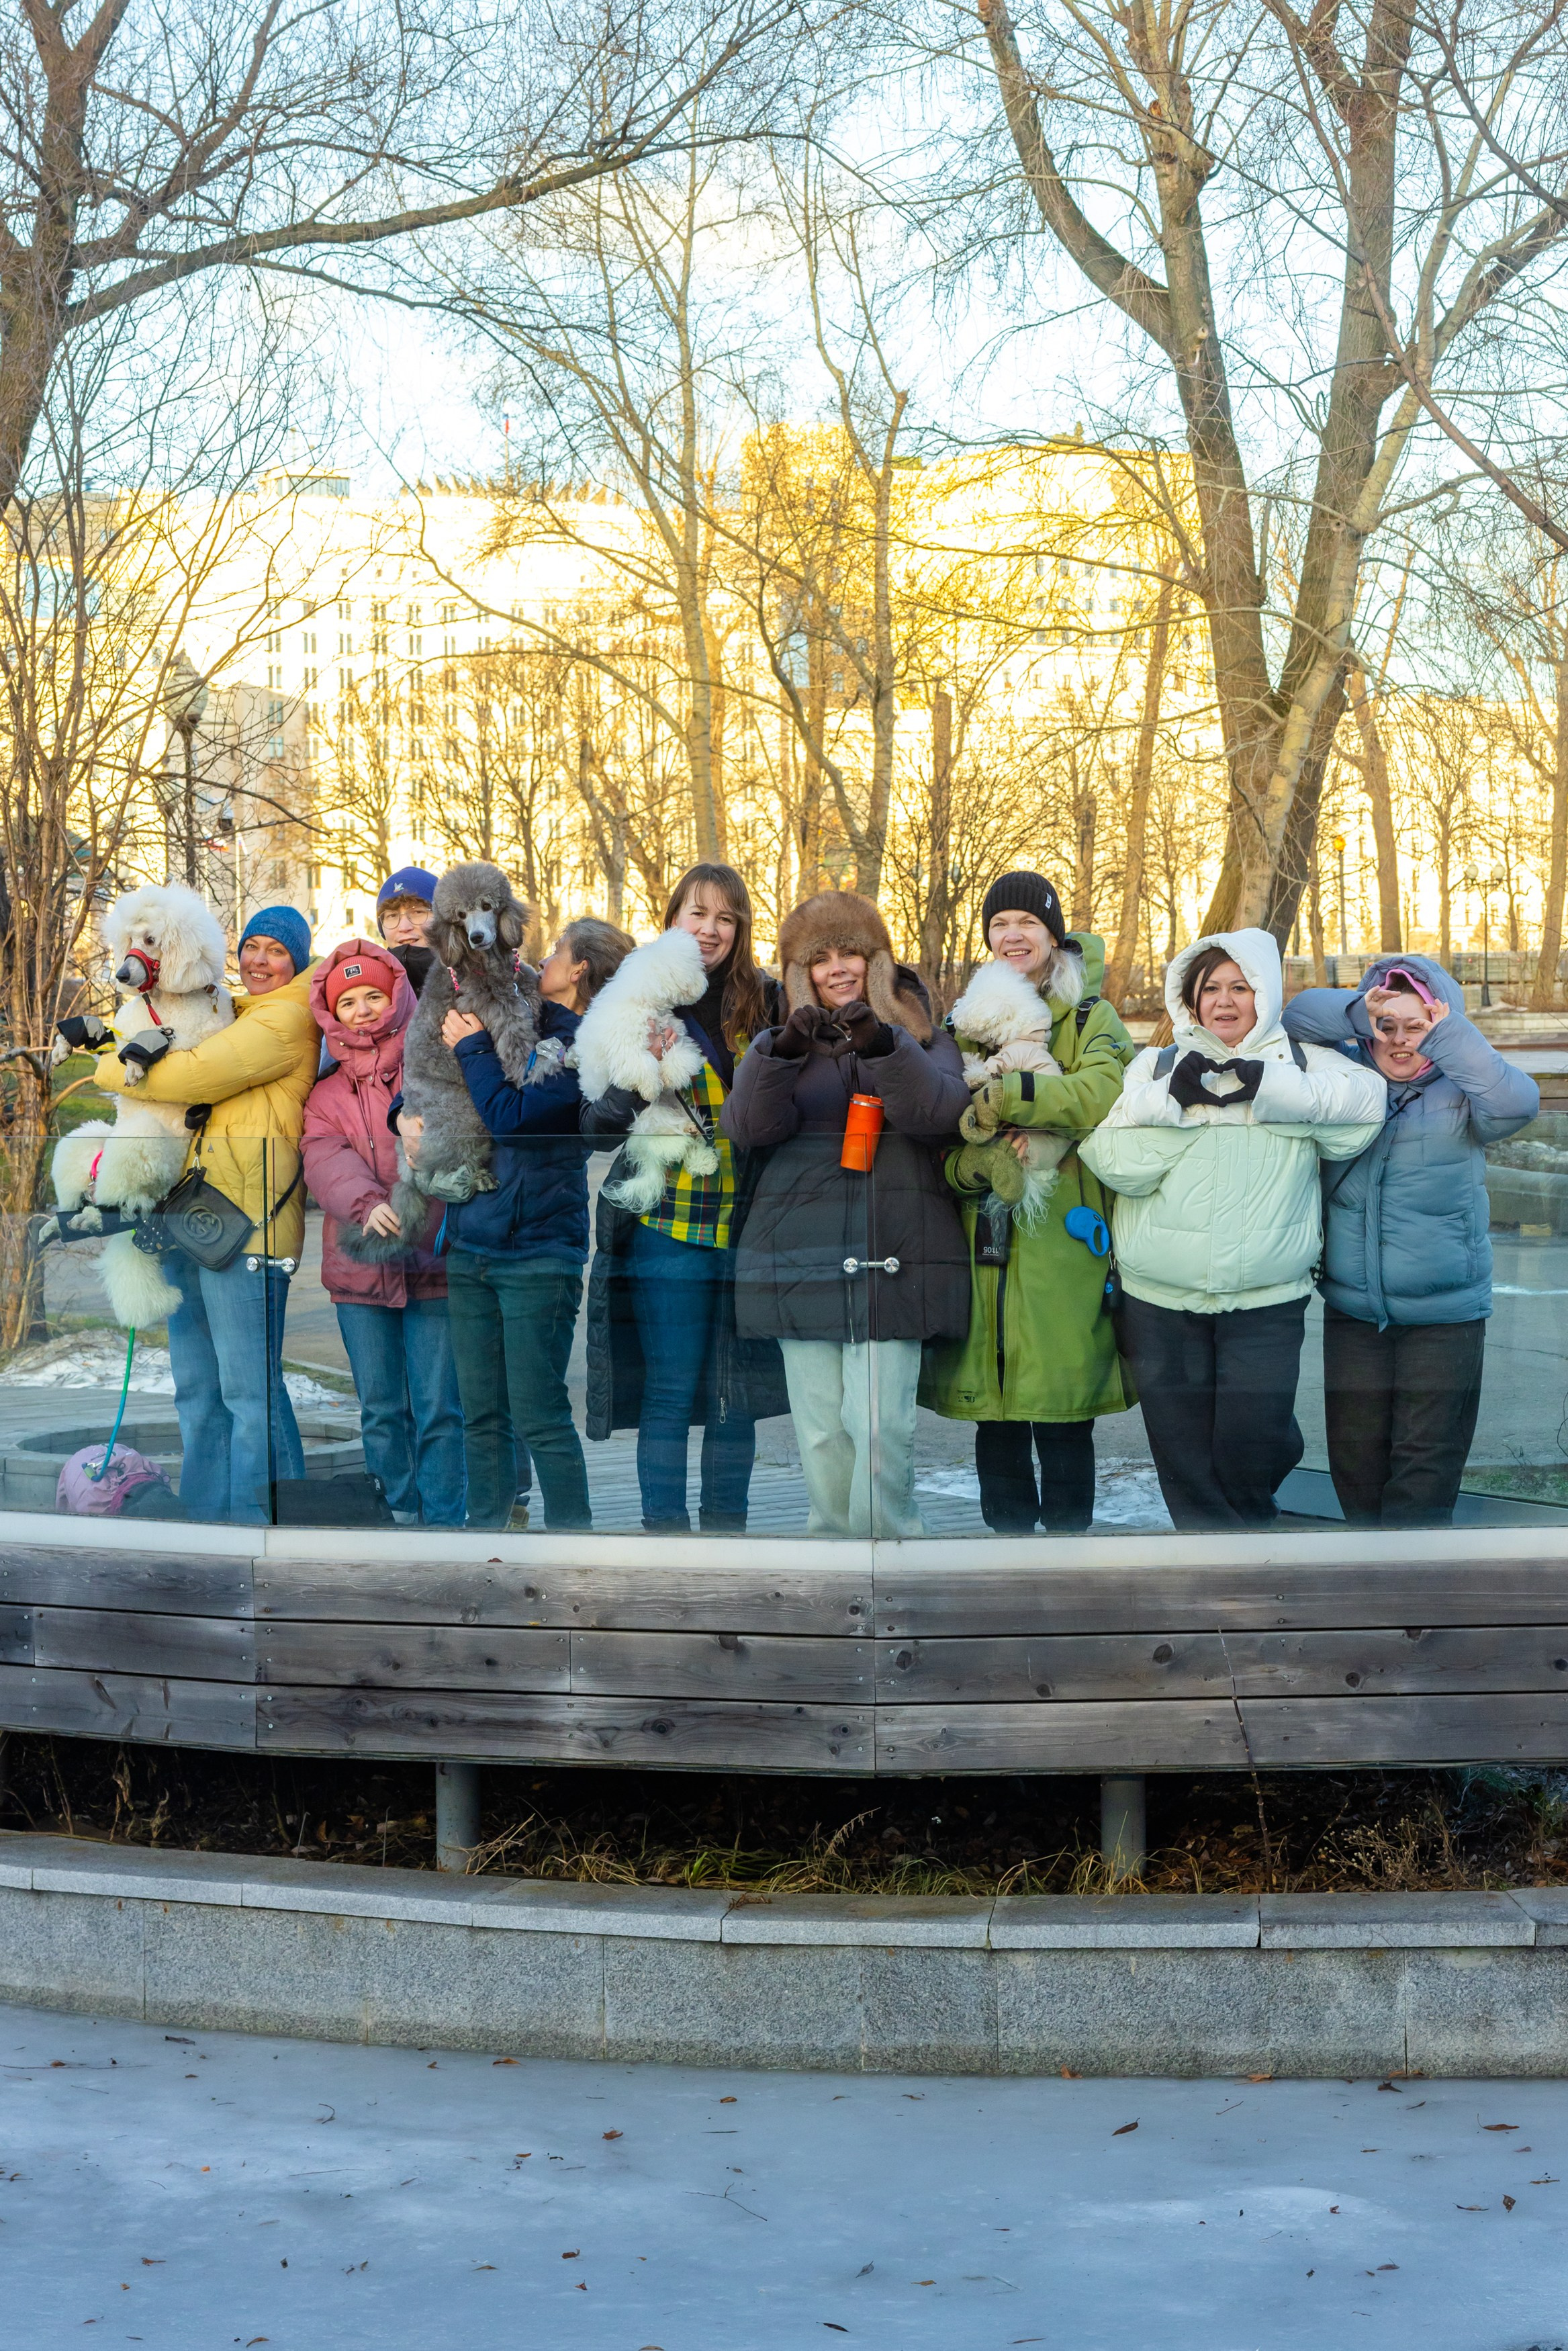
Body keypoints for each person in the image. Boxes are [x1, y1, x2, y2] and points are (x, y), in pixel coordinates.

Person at [1080, 928, 1386, 1532]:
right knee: (1183, 1453)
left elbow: (1362, 1115)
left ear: (1264, 995)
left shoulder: (1301, 1063)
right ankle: (1219, 1568)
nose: (1224, 1001)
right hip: (1159, 1298)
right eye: (1209, 989)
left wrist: (1265, 1089)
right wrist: (1178, 1104)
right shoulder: (1157, 1065)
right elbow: (1115, 1166)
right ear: (1189, 1001)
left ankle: (1243, 1537)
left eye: (1239, 987)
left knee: (1253, 1439)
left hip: (1265, 1299)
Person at [722, 890, 972, 1538]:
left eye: (851, 954)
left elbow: (938, 1114)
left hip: (894, 1249)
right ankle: (831, 1551)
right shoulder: (777, 1038)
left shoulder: (923, 1031)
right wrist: (780, 1052)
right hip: (798, 1254)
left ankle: (891, 1548)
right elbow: (748, 1128)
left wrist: (886, 1044)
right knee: (822, 1425)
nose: (837, 969)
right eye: (821, 958)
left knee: (880, 1422)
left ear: (877, 961)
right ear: (800, 972)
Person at [1283, 955, 1539, 1526]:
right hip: (1354, 1311)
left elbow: (1519, 1104)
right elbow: (1296, 1017)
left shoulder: (1464, 1092)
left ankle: (1413, 1599)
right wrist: (1358, 1010)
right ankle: (1370, 1586)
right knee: (1356, 1460)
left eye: (1416, 1026)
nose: (1399, 1041)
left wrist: (1446, 1034)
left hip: (1444, 1315)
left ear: (1443, 1028)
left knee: (1425, 1464)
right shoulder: (1345, 1080)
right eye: (1386, 1027)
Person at [921, 871, 1138, 1533]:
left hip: (1062, 1249)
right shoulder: (965, 1021)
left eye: (1027, 923)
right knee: (997, 1413)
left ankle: (1069, 1556)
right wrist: (973, 1167)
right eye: (999, 924)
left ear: (1052, 935)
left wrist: (1012, 1096)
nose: (1012, 935)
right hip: (983, 1242)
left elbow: (1102, 1090)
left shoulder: (1089, 1016)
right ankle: (1006, 1550)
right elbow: (939, 1130)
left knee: (1063, 1410)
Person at [90, 905, 320, 1523]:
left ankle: (265, 1528)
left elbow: (193, 1076)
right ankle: (205, 1521)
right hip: (195, 1218)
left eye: (275, 950)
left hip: (254, 1227)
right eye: (252, 947)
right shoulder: (233, 1010)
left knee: (250, 1393)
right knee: (198, 1390)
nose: (259, 960)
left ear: (297, 959)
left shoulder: (288, 1017)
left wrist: (109, 1061)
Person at [579, 863, 783, 1534]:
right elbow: (593, 1126)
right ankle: (664, 1537)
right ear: (672, 918)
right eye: (697, 913)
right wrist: (640, 1082)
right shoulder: (640, 1001)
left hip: (750, 1227)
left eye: (726, 917)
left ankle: (728, 1535)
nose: (710, 929)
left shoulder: (768, 1002)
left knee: (735, 1397)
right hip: (671, 1228)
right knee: (670, 1388)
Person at [440, 916, 634, 1531]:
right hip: (471, 1242)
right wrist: (400, 1116)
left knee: (537, 1411)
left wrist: (470, 1049)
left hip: (536, 1254)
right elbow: (441, 1084)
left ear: (579, 969)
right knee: (480, 1412)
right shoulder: (511, 1015)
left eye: (556, 952)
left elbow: (513, 1118)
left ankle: (573, 1543)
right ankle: (486, 1534)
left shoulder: (582, 1043)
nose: (541, 959)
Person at [301, 940, 465, 1526]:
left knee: (440, 1407)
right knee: (380, 1408)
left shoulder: (434, 1067)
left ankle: (447, 1521)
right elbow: (323, 1159)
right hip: (360, 1270)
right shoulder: (324, 1093)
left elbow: (455, 1138)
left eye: (375, 995)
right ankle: (395, 1513)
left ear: (399, 998)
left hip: (434, 1261)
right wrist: (367, 1204)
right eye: (349, 1002)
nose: (364, 1009)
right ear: (332, 1013)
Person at [375, 867, 439, 994]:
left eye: (417, 912)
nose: (404, 927)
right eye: (392, 916)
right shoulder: (371, 990)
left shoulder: (477, 983)